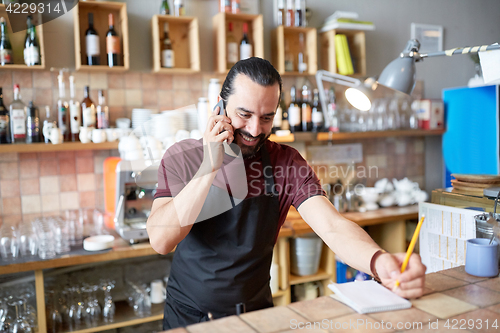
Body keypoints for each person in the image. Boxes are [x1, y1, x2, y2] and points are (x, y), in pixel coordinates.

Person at [147, 57, 426, 330]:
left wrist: (378, 262)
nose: (255, 129)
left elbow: (333, 226)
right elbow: (161, 240)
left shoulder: (286, 162)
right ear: (220, 106)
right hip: (190, 320)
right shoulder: (182, 158)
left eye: (266, 117)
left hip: (257, 317)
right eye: (244, 114)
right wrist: (209, 167)